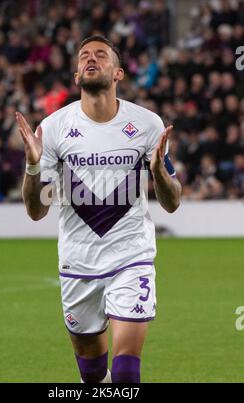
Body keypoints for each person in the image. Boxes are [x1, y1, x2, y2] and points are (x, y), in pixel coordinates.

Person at [16, 35, 181, 383]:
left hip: (130, 256)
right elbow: (35, 210)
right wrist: (33, 167)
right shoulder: (54, 128)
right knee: (92, 374)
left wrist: (158, 173)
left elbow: (172, 201)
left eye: (100, 55)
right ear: (76, 75)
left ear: (118, 72)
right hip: (78, 261)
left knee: (124, 369)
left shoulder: (148, 124)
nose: (90, 59)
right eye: (84, 56)